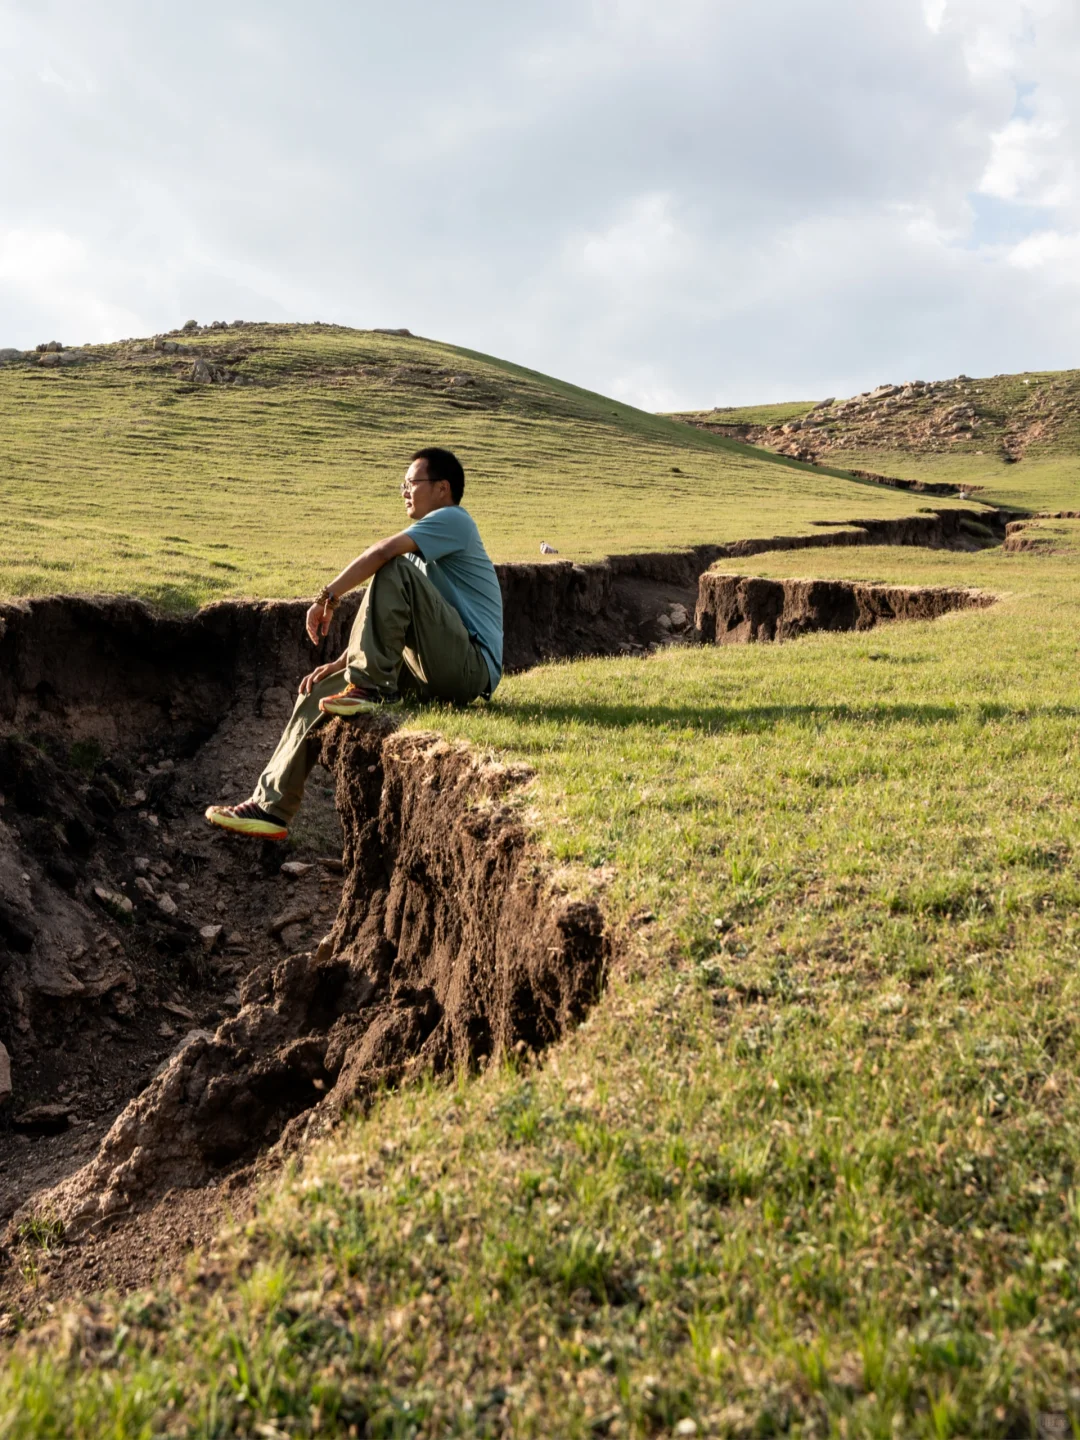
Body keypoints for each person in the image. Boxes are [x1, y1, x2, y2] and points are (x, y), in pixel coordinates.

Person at [205, 446, 503, 841]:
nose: (404, 491)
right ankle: (271, 807)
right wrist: (339, 665)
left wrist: (325, 597)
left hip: (471, 669)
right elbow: (387, 621)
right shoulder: (421, 555)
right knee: (318, 691)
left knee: (389, 564)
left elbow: (381, 554)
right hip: (435, 666)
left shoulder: (453, 520)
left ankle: (371, 686)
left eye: (411, 482)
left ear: (443, 488)